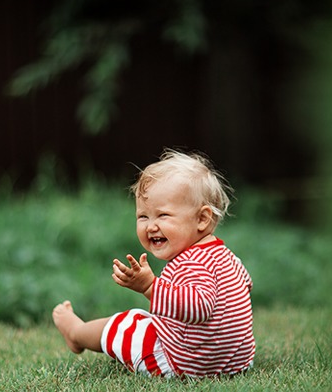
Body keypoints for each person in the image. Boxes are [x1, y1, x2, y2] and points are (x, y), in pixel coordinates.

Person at [52, 149, 255, 377]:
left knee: (127, 323)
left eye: (163, 215)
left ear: (202, 219)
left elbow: (200, 307)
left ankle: (76, 333)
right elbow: (245, 287)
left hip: (185, 365)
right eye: (143, 216)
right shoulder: (225, 256)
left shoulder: (192, 264)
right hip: (236, 363)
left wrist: (150, 287)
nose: (151, 226)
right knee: (150, 321)